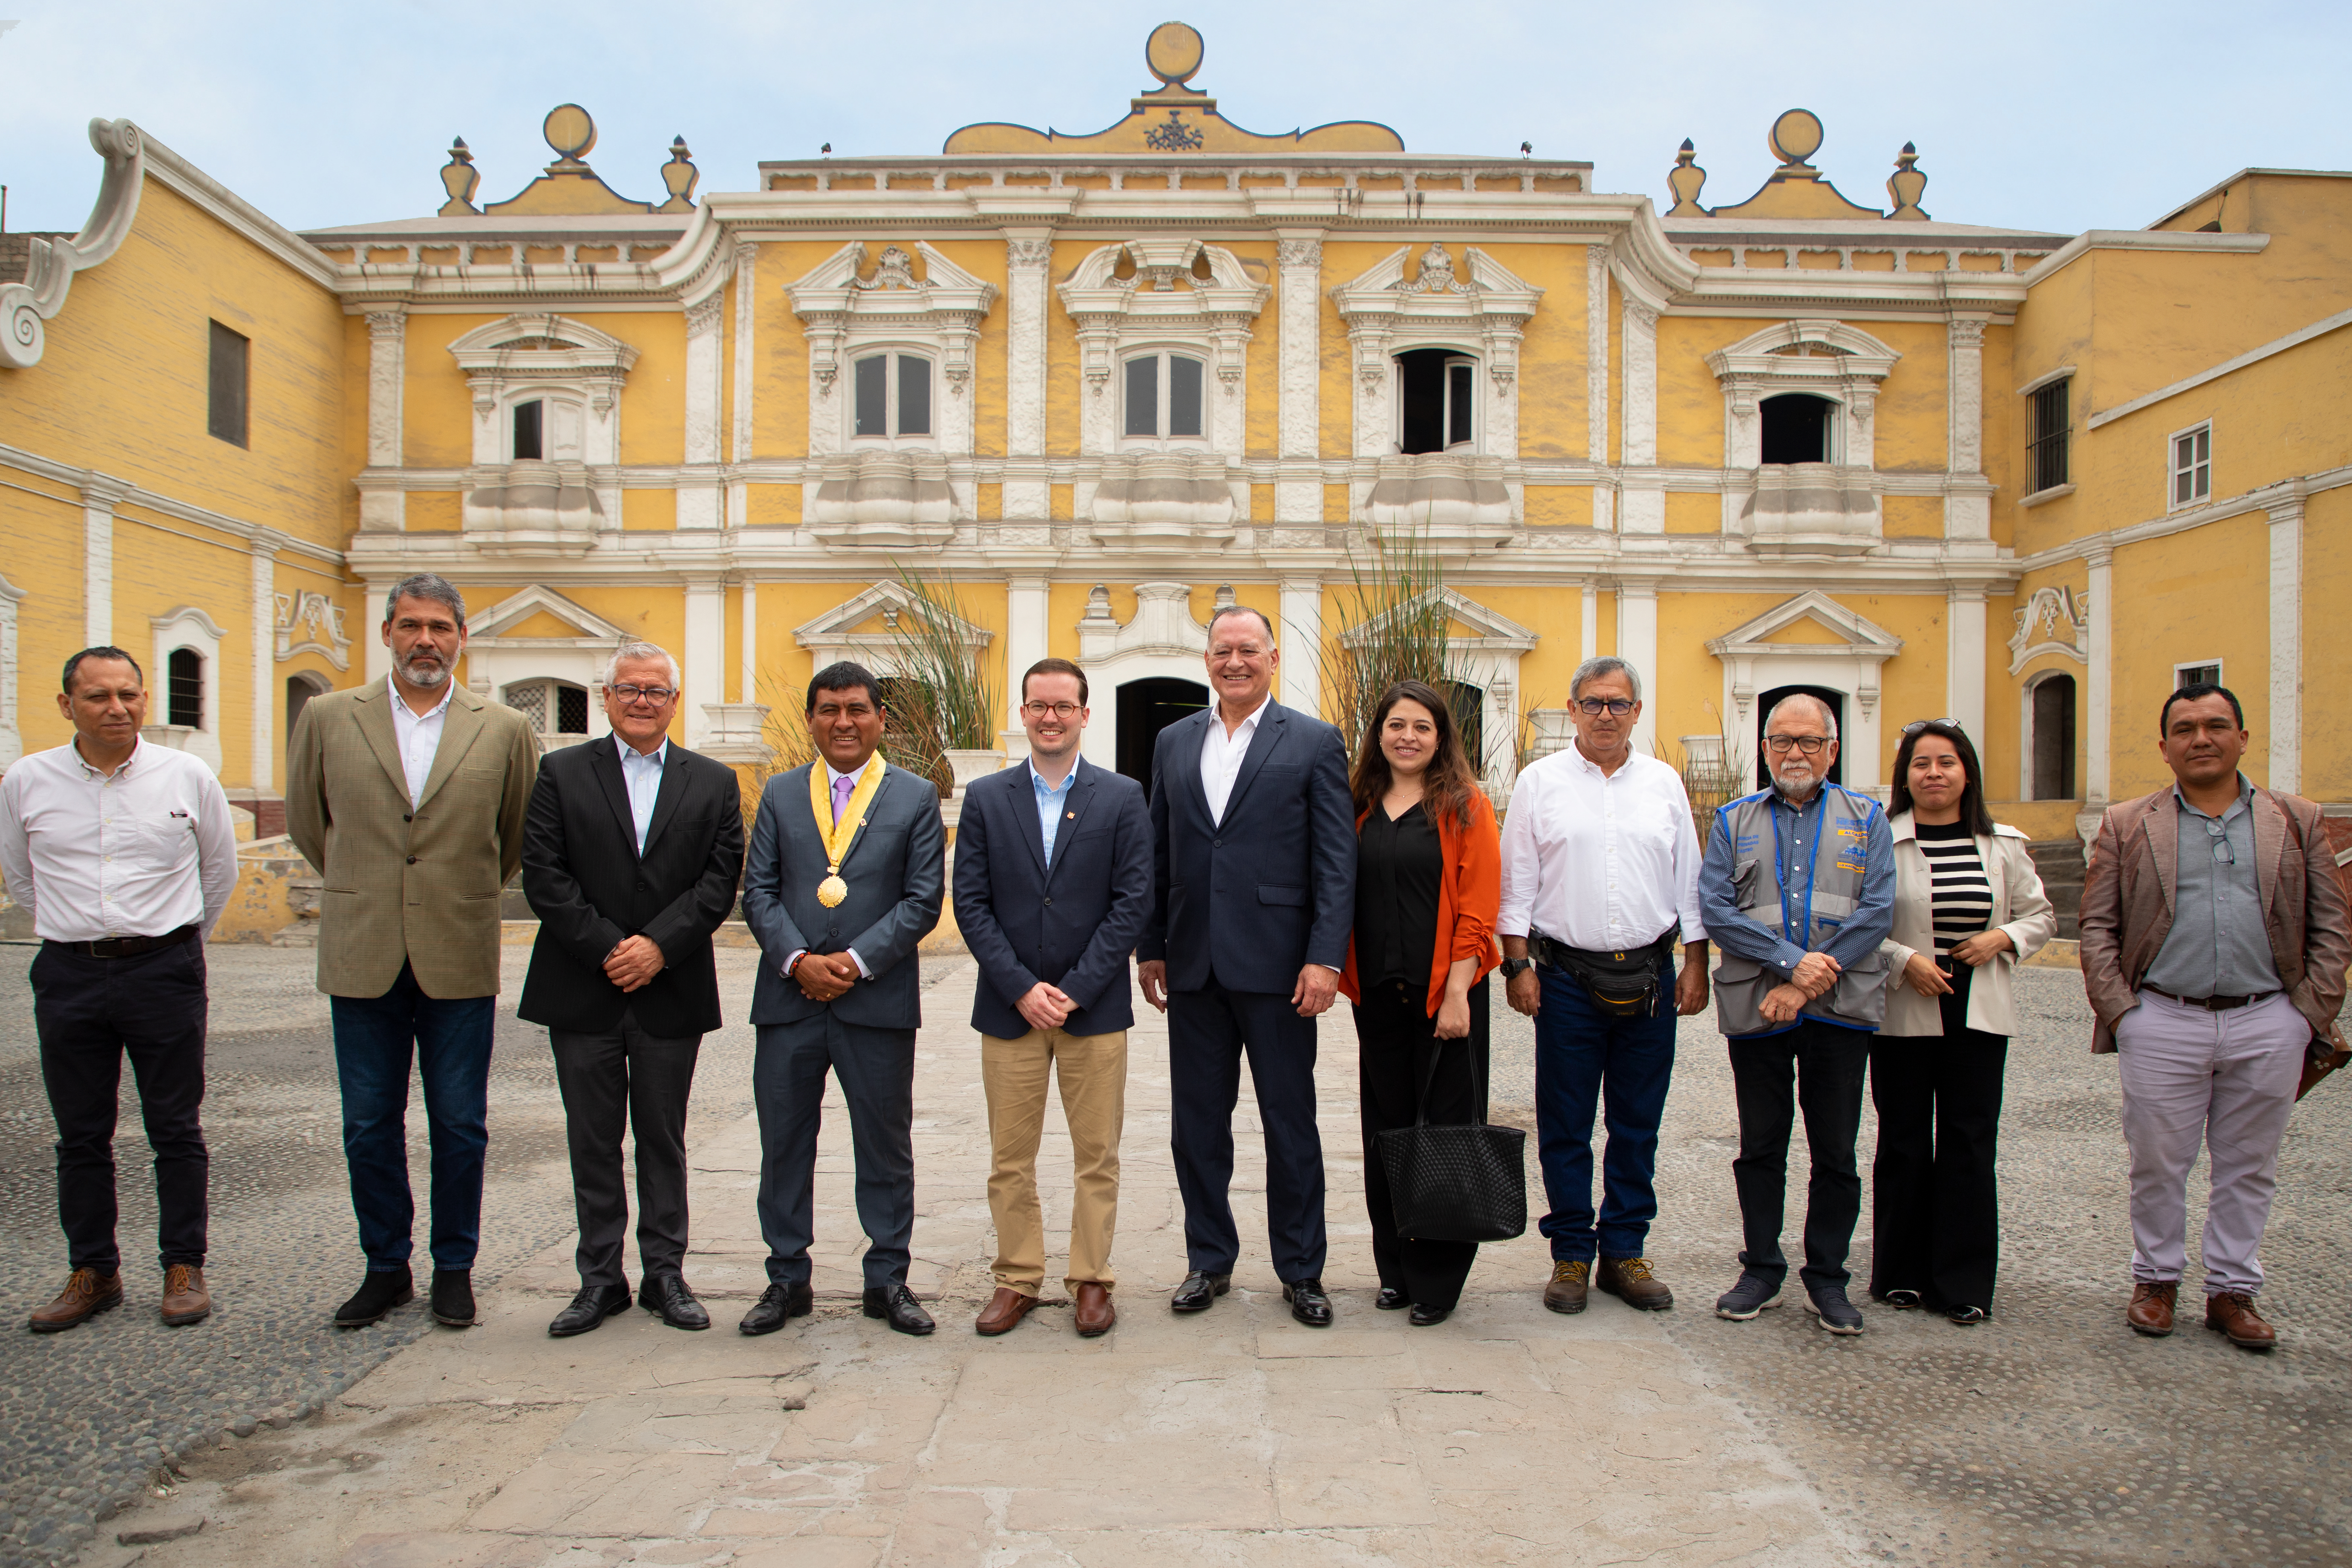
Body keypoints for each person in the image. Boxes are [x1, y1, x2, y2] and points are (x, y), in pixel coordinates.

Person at [286, 573, 541, 1331]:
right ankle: (385, 1266)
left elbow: (516, 837)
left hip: (457, 948)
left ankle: (454, 1266)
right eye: (410, 625)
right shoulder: (332, 717)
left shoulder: (503, 728)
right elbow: (310, 823)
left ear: (462, 637)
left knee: (460, 1121)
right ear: (388, 633)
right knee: (369, 1121)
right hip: (362, 948)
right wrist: (368, 889)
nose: (424, 639)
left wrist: (448, 894)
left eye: (439, 626)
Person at [2079, 683, 2350, 1350]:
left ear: (2243, 738)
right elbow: (2097, 927)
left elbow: (2332, 925)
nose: (2202, 738)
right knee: (2158, 1160)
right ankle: (2156, 1280)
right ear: (2165, 746)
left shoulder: (2297, 819)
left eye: (2217, 726)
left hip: (2269, 1019)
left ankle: (2233, 1290)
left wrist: (2305, 1013)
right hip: (2163, 1016)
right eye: (2187, 729)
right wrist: (2125, 1013)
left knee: (2250, 1163)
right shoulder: (2127, 822)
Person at [2, 648, 239, 1332]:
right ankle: (94, 1271)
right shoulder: (27, 780)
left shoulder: (186, 775)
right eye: (100, 696)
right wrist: (79, 931)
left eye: (130, 695)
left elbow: (215, 871)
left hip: (163, 969)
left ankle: (183, 1265)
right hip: (69, 970)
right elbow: (22, 878)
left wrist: (173, 942)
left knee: (176, 1127)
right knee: (80, 1133)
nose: (118, 708)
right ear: (67, 704)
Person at [1137, 605, 1356, 1327]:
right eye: (1223, 651)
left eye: (1249, 651)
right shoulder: (1172, 741)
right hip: (1195, 964)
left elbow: (1335, 862)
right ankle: (1209, 1260)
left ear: (1272, 659)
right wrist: (1153, 945)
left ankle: (1302, 1270)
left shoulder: (1316, 741)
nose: (1235, 662)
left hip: (1280, 968)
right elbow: (1159, 851)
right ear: (1207, 660)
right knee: (1197, 1124)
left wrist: (1325, 958)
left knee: (1290, 1123)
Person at [519, 642, 746, 1338]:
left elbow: (719, 878)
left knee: (662, 1137)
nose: (642, 700)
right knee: (592, 1139)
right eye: (629, 689)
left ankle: (664, 1275)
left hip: (669, 986)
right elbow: (543, 873)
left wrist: (658, 947)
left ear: (674, 702)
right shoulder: (560, 773)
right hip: (582, 986)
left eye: (655, 690)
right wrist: (608, 948)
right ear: (607, 697)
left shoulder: (710, 781)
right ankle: (599, 1281)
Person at [739, 662, 945, 1337]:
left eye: (858, 709)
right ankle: (785, 1279)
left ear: (882, 718)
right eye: (829, 710)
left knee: (885, 1147)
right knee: (784, 1144)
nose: (844, 722)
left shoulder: (914, 797)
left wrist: (853, 963)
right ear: (811, 720)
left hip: (875, 1002)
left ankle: (888, 1279)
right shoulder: (779, 794)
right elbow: (759, 893)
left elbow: (922, 902)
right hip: (790, 1000)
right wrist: (799, 960)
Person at [1498, 657, 1708, 1318]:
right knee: (1565, 1123)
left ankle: (1625, 1251)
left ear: (1637, 712)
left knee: (1636, 1122)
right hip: (1563, 979)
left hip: (1649, 976)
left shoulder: (1664, 783)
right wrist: (1518, 965)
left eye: (1619, 704)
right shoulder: (1539, 783)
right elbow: (1517, 884)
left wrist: (1695, 961)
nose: (1606, 716)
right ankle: (1570, 1254)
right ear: (1573, 709)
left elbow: (1688, 878)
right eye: (1594, 704)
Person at [953, 658, 1152, 1338]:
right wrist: (1019, 987)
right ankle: (1017, 1278)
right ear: (1024, 712)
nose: (1050, 717)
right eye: (1038, 705)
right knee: (1011, 1158)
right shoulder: (985, 798)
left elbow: (1131, 905)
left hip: (1092, 1010)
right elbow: (971, 905)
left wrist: (1069, 991)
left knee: (1097, 1155)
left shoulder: (1123, 797)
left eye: (1063, 706)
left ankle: (1091, 1279)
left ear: (1084, 715)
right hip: (1008, 1012)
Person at [1698, 693, 1894, 1334]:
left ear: (1833, 750)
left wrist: (1807, 984)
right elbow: (1718, 910)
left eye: (1809, 742)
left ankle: (1828, 1277)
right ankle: (1761, 1267)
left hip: (1839, 1010)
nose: (1795, 753)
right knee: (1761, 1144)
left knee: (1835, 1148)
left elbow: (1876, 912)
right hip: (1759, 1007)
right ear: (1764, 750)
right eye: (1782, 741)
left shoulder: (1868, 819)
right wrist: (1790, 963)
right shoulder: (1733, 821)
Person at [1869, 720, 2054, 1325]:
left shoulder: (2002, 845)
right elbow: (1864, 922)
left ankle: (1963, 1281)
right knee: (1903, 1141)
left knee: (1970, 1143)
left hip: (1978, 1006)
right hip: (1906, 1001)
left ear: (1966, 771)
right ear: (1905, 778)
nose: (1934, 774)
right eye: (1921, 764)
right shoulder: (1882, 841)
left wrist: (2003, 936)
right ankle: (1900, 1272)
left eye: (1945, 762)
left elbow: (2040, 915)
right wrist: (1904, 960)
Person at [1339, 680, 1501, 1326]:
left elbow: (1479, 908)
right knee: (1387, 1133)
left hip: (1447, 999)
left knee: (1447, 1135)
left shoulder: (1465, 806)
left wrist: (1459, 992)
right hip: (1378, 997)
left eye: (1423, 728)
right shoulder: (1357, 803)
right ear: (1378, 733)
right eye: (1396, 725)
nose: (1408, 736)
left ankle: (1437, 1279)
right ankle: (1394, 1270)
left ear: (1442, 739)